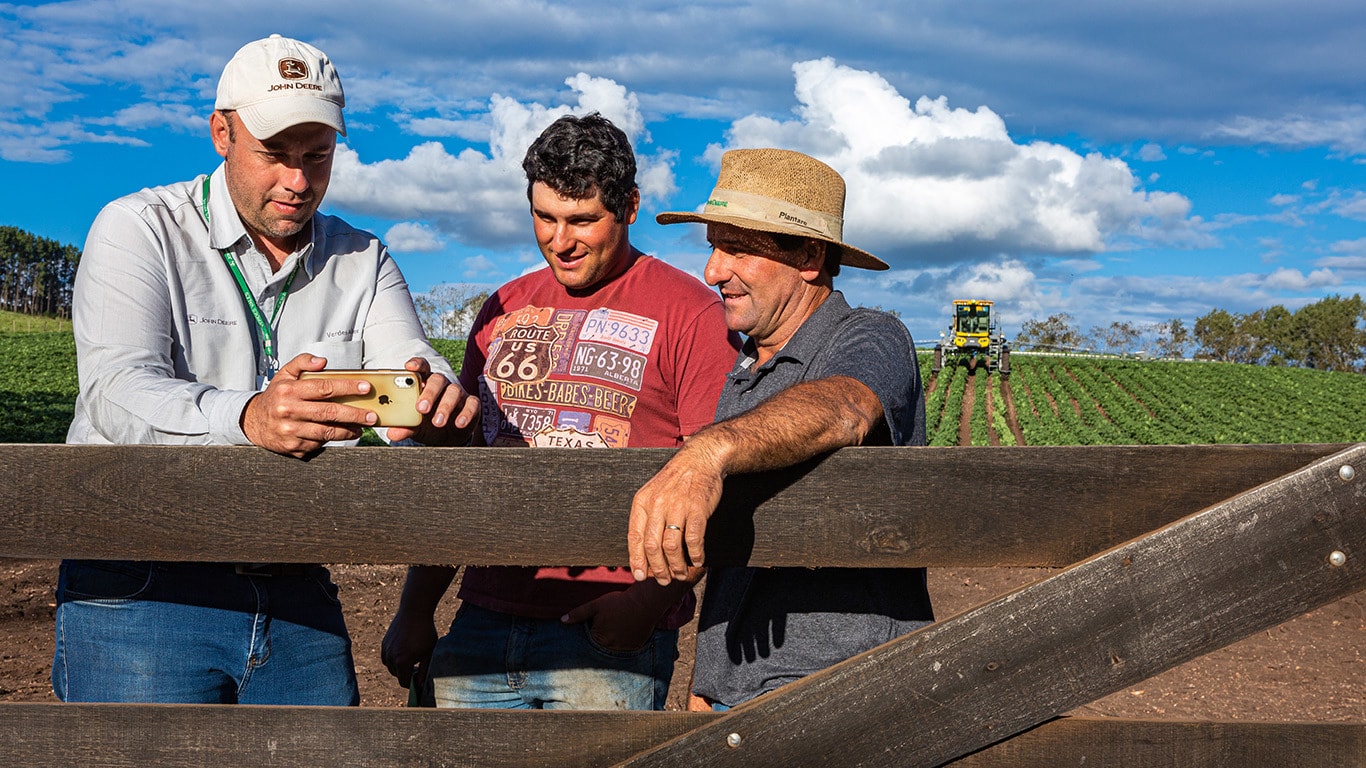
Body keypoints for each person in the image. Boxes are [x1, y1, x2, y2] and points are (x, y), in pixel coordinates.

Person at [58, 34, 475, 706]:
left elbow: (409, 367)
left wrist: (431, 400)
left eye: (318, 156)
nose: (298, 182)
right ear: (221, 132)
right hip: (142, 580)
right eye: (274, 155)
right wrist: (249, 416)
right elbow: (117, 392)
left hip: (296, 582)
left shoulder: (362, 259)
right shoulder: (139, 229)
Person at [381, 114, 740, 711]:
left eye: (582, 220)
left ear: (629, 206)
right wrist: (416, 610)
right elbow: (458, 472)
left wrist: (643, 609)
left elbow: (712, 480)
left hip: (608, 634)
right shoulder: (502, 308)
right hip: (485, 615)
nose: (560, 239)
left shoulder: (692, 314)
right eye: (544, 217)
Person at [626, 148, 933, 710]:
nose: (713, 271)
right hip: (735, 695)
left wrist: (705, 452)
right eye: (714, 247)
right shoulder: (744, 367)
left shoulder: (869, 335)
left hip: (842, 692)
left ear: (811, 257)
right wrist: (706, 683)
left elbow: (846, 407)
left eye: (739, 249)